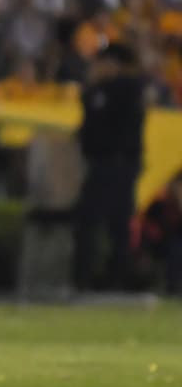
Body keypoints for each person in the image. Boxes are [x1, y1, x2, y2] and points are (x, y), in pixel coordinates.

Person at [74, 43, 144, 291]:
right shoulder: (105, 91)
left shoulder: (123, 88)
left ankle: (108, 279)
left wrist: (93, 88)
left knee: (109, 224)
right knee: (99, 223)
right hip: (107, 164)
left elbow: (97, 124)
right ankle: (95, 277)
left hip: (115, 164)